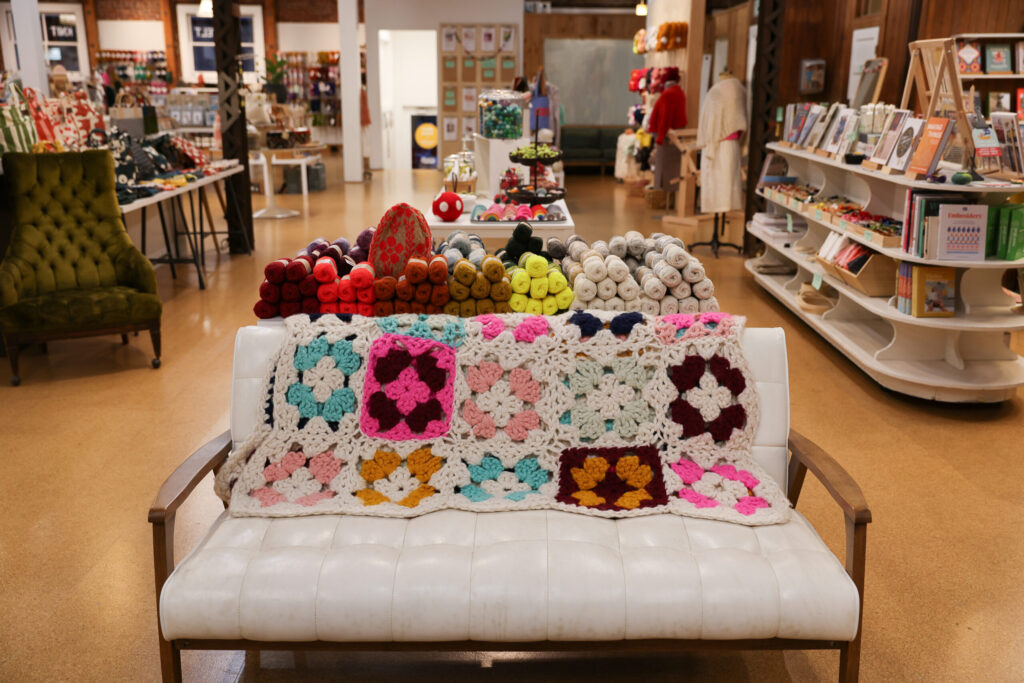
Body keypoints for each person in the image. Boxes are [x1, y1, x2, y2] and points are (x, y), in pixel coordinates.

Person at [647, 71, 686, 193]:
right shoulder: (678, 92)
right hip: (672, 134)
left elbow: (665, 117)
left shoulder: (668, 94)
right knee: (671, 167)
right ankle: (667, 190)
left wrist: (660, 137)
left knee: (665, 167)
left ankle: (663, 191)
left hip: (666, 136)